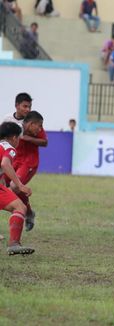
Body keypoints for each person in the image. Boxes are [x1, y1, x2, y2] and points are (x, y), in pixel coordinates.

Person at [4, 94, 47, 233]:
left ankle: (26, 212)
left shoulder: (34, 121)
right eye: (25, 106)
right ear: (16, 105)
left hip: (29, 162)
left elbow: (44, 141)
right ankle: (23, 211)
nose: (27, 109)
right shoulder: (8, 120)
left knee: (14, 186)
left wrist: (27, 138)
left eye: (29, 106)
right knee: (3, 186)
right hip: (14, 159)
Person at [0, 122, 34, 255]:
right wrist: (19, 185)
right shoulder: (9, 148)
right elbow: (5, 163)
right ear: (14, 137)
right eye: (19, 138)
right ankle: (14, 244)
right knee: (20, 207)